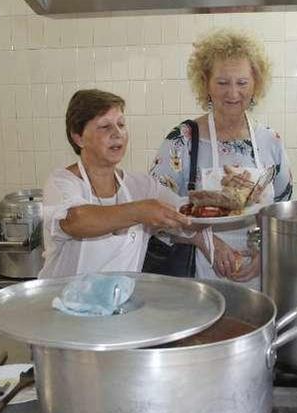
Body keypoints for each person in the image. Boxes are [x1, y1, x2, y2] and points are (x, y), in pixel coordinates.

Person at [150, 28, 292, 287]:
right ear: (205, 83)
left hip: (260, 274)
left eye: (242, 82)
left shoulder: (270, 141)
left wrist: (265, 250)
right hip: (199, 276)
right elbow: (156, 211)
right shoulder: (182, 140)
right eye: (222, 82)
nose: (233, 93)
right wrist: (208, 242)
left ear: (256, 84)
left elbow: (283, 208)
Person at [39, 89, 190, 278]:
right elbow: (75, 220)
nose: (117, 133)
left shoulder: (142, 186)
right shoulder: (62, 182)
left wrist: (211, 202)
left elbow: (185, 215)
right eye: (105, 126)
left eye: (121, 124)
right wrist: (140, 211)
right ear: (78, 137)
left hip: (120, 304)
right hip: (65, 304)